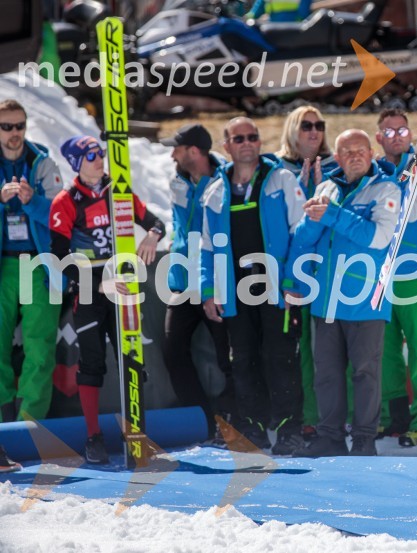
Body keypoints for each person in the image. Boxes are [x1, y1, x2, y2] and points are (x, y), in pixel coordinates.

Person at [50, 135, 166, 464]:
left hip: (123, 287)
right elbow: (59, 256)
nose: (99, 160)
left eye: (100, 153)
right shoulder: (65, 201)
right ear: (76, 163)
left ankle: (136, 432)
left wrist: (153, 237)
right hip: (90, 290)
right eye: (90, 156)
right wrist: (99, 286)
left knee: (132, 358)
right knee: (91, 364)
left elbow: (155, 222)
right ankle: (93, 437)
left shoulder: (119, 192)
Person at [287, 129, 401, 458]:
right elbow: (304, 236)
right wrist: (293, 280)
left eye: (360, 150)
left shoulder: (387, 188)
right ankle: (330, 436)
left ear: (372, 153)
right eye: (346, 151)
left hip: (365, 300)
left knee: (365, 373)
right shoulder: (326, 187)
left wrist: (332, 214)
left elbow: (378, 237)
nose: (354, 156)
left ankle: (365, 440)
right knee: (327, 372)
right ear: (336, 158)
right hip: (326, 299)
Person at [200, 117, 306, 455]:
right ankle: (253, 430)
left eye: (253, 137)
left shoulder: (281, 179)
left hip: (277, 289)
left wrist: (293, 281)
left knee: (281, 358)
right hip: (236, 293)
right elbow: (205, 248)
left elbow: (300, 233)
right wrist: (208, 291)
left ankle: (290, 430)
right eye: (239, 137)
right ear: (226, 146)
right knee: (243, 360)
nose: (247, 142)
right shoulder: (215, 192)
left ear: (260, 142)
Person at [160, 124, 234, 444]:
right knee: (173, 352)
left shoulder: (223, 181)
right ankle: (202, 420)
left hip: (217, 281)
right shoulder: (176, 180)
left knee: (227, 356)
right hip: (181, 282)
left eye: (177, 147)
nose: (172, 153)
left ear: (194, 151)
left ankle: (234, 416)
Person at [375, 108, 417, 447]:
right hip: (379, 274)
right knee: (384, 351)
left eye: (402, 130)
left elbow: (411, 211)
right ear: (379, 138)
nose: (397, 136)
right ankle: (392, 417)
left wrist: (409, 178)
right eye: (389, 132)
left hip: (413, 273)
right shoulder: (374, 172)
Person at [274, 105, 338, 441]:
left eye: (319, 125)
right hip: (289, 272)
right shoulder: (276, 168)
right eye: (306, 125)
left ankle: (334, 417)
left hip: (328, 274)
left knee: (328, 355)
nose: (314, 131)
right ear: (292, 130)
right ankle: (302, 417)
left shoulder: (336, 167)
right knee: (296, 354)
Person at [0, 99, 63, 422]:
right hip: (4, 267)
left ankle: (28, 422)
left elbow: (60, 215)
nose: (14, 133)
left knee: (40, 347)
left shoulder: (42, 162)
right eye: (7, 127)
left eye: (19, 126)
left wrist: (31, 201)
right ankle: (2, 418)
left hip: (39, 264)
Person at [246, 0, 312, 22]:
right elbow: (260, 7)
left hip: (293, 27)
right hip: (275, 27)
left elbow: (257, 11)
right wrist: (248, 17)